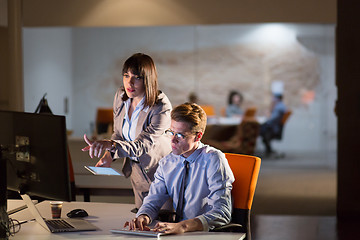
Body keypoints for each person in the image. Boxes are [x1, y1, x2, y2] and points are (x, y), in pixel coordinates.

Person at [124, 102, 235, 234]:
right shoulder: (167, 163)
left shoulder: (213, 160)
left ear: (198, 136)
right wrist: (143, 216)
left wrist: (183, 226)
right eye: (171, 132)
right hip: (177, 232)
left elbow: (222, 212)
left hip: (205, 233)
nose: (172, 140)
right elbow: (153, 200)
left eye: (180, 135)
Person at [82, 53, 172, 211]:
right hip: (137, 173)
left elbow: (141, 145)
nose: (129, 82)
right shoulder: (121, 96)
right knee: (140, 224)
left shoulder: (161, 107)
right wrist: (108, 155)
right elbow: (118, 134)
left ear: (147, 80)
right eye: (126, 75)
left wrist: (110, 145)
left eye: (136, 77)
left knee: (163, 224)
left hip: (160, 174)